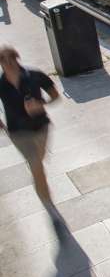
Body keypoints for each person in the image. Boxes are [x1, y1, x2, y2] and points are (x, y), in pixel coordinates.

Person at [0, 46, 64, 234]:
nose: (7, 63)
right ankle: (51, 209)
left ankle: (37, 172)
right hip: (18, 133)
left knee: (38, 163)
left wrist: (41, 104)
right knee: (37, 167)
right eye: (2, 60)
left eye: (10, 58)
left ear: (17, 58)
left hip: (41, 128)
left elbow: (56, 97)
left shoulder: (35, 76)